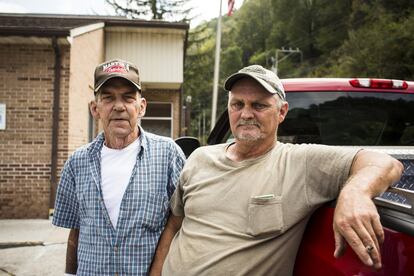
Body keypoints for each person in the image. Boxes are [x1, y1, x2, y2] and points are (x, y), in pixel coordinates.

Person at [149, 65, 404, 275]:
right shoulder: (199, 158)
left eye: (259, 105)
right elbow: (173, 227)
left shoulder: (300, 162)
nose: (246, 114)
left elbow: (386, 163)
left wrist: (355, 193)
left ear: (282, 112)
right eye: (237, 104)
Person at [52, 59, 185, 275]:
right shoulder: (77, 163)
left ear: (141, 106)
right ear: (95, 108)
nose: (119, 106)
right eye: (108, 98)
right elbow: (75, 231)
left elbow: (180, 224)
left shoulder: (169, 155)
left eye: (127, 97)